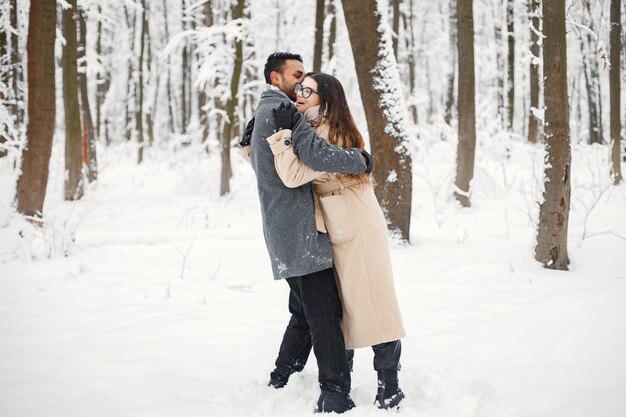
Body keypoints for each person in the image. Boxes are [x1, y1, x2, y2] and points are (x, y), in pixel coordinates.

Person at [242, 52, 374, 414]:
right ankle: (334, 393)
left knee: (302, 311)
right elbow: (318, 154)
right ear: (275, 78)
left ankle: (281, 378)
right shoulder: (284, 114)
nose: (300, 84)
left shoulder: (263, 112)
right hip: (300, 232)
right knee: (325, 315)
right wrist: (361, 160)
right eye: (296, 76)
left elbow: (261, 164)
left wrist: (244, 147)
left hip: (280, 231)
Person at [265, 72, 406, 410]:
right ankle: (347, 379)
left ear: (325, 99)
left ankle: (390, 385)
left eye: (307, 90)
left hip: (354, 219)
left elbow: (294, 173)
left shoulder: (330, 131)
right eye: (298, 88)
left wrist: (283, 135)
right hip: (337, 222)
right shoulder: (312, 128)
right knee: (345, 305)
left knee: (373, 302)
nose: (298, 94)